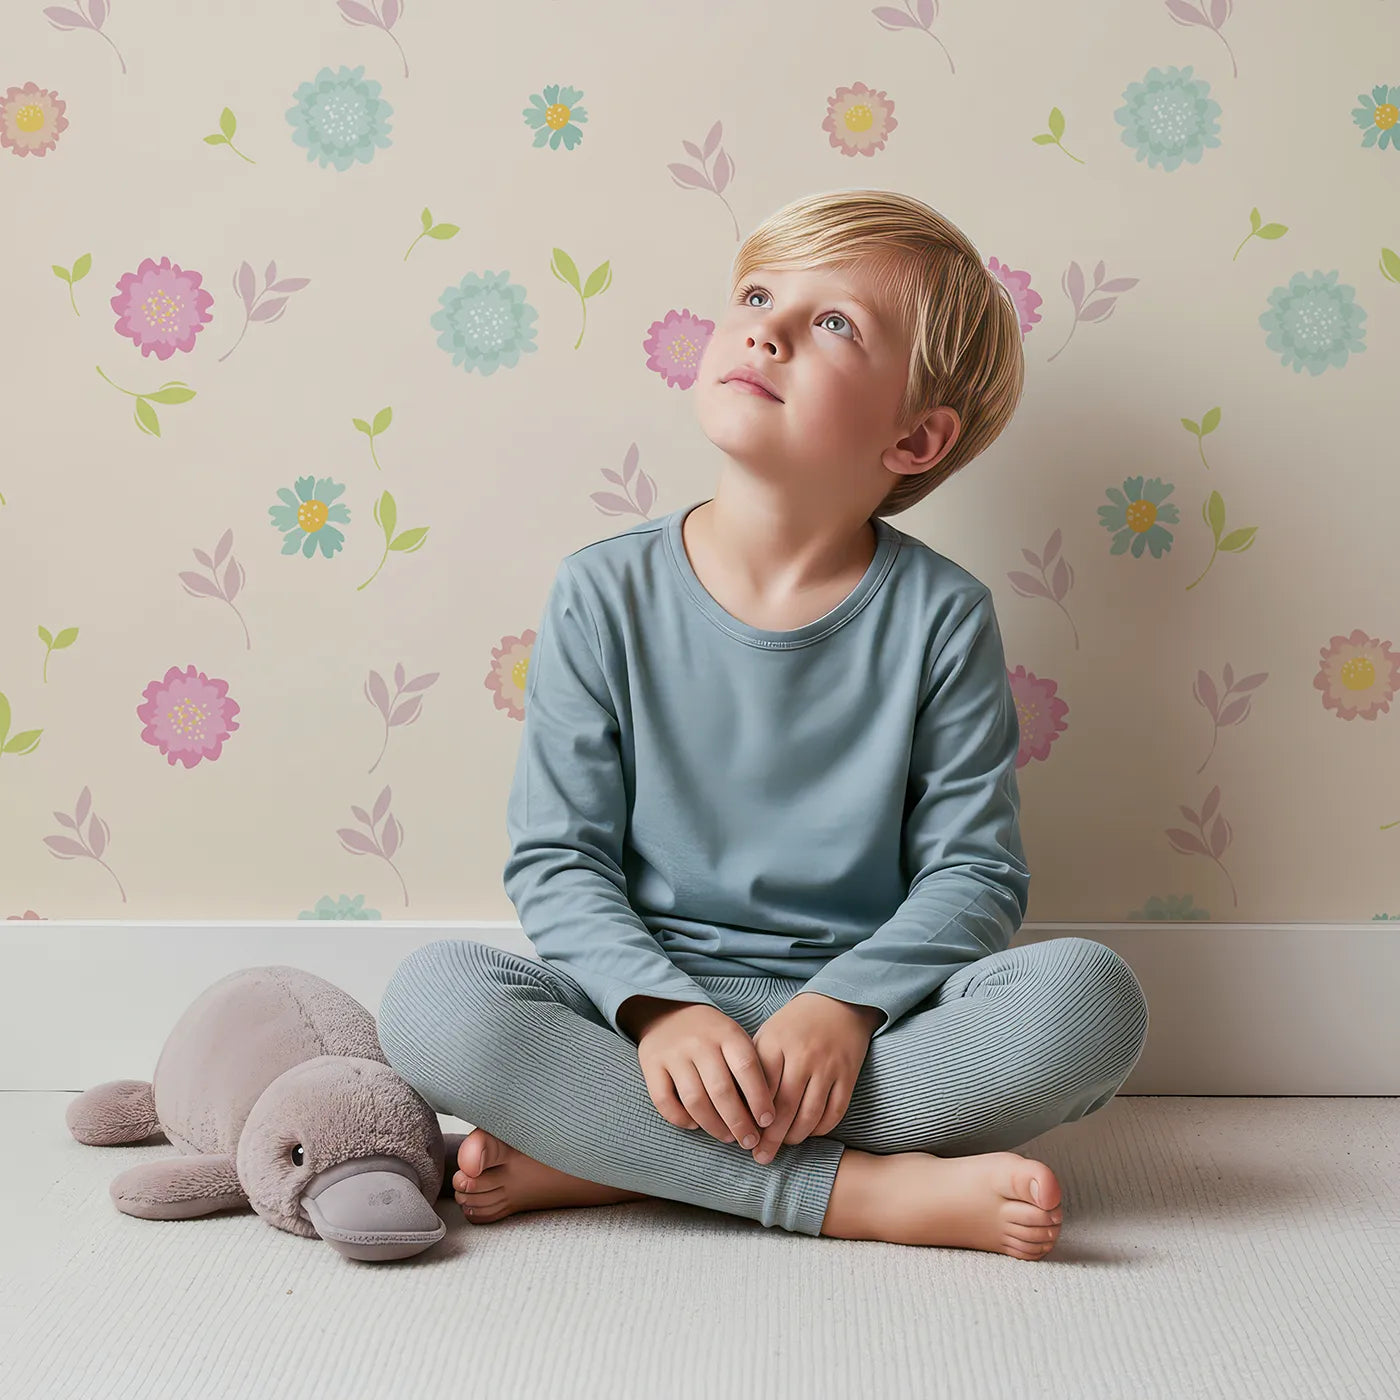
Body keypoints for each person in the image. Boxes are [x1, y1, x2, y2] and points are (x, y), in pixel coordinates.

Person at [376, 188, 1149, 1257]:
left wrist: (842, 1006)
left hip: (856, 1033)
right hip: (644, 1018)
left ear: (915, 437)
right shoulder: (602, 592)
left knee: (1088, 1001)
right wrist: (661, 1012)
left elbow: (973, 877)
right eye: (755, 293)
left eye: (833, 323)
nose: (765, 328)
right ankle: (859, 1194)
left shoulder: (941, 617)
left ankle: (611, 1156)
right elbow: (559, 859)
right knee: (431, 1002)